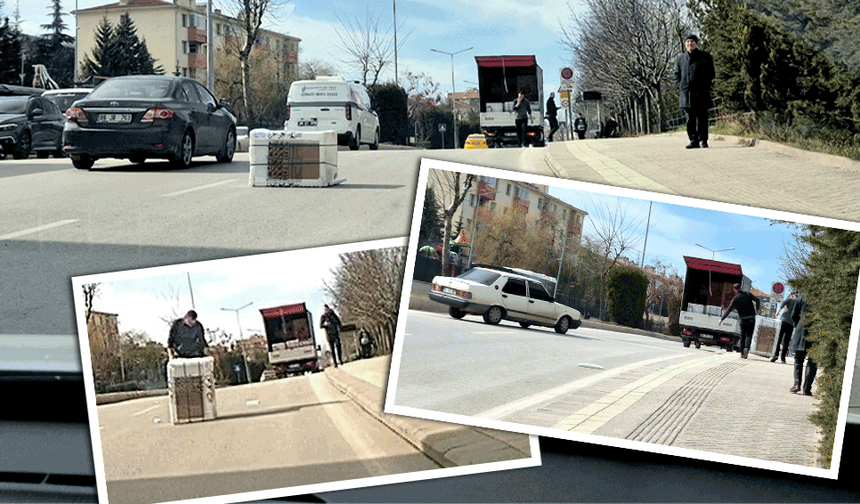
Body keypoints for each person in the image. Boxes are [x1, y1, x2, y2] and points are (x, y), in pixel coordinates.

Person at [674, 34, 715, 149]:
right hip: (687, 94)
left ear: (696, 43)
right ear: (685, 44)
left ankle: (703, 140)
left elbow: (711, 73)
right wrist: (680, 86)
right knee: (690, 119)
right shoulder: (680, 58)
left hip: (701, 92)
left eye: (692, 41)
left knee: (702, 117)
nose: (690, 44)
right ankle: (693, 140)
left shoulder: (705, 56)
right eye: (687, 42)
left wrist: (704, 84)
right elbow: (676, 74)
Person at [718, 283, 760, 359]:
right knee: (749, 335)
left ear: (734, 290)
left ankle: (742, 353)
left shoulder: (735, 299)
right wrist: (757, 308)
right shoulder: (748, 294)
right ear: (740, 288)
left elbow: (729, 310)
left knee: (742, 335)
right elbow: (757, 300)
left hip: (743, 319)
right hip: (751, 318)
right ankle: (747, 348)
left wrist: (721, 319)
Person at [789, 293, 816, 395]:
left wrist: (797, 325)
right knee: (813, 361)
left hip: (801, 330)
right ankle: (807, 388)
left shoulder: (802, 297)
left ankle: (797, 384)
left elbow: (794, 315)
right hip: (816, 332)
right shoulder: (823, 297)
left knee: (798, 360)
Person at [771, 292, 797, 362]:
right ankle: (783, 358)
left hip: (783, 321)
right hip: (791, 324)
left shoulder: (789, 299)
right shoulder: (798, 303)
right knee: (786, 341)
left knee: (778, 339)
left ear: (792, 295)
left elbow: (782, 304)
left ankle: (776, 355)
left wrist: (778, 312)